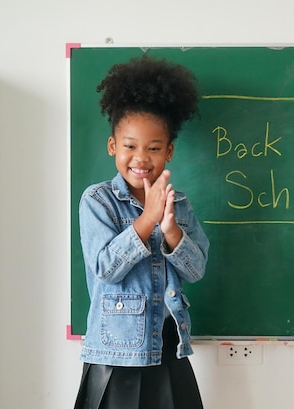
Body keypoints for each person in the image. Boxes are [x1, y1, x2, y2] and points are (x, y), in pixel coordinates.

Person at [74, 55, 210, 409]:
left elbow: (196, 269)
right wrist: (147, 219)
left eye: (153, 148)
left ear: (169, 151)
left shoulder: (177, 203)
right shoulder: (97, 200)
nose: (141, 157)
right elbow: (105, 267)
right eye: (130, 146)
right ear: (112, 147)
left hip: (168, 347)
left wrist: (170, 229)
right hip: (116, 353)